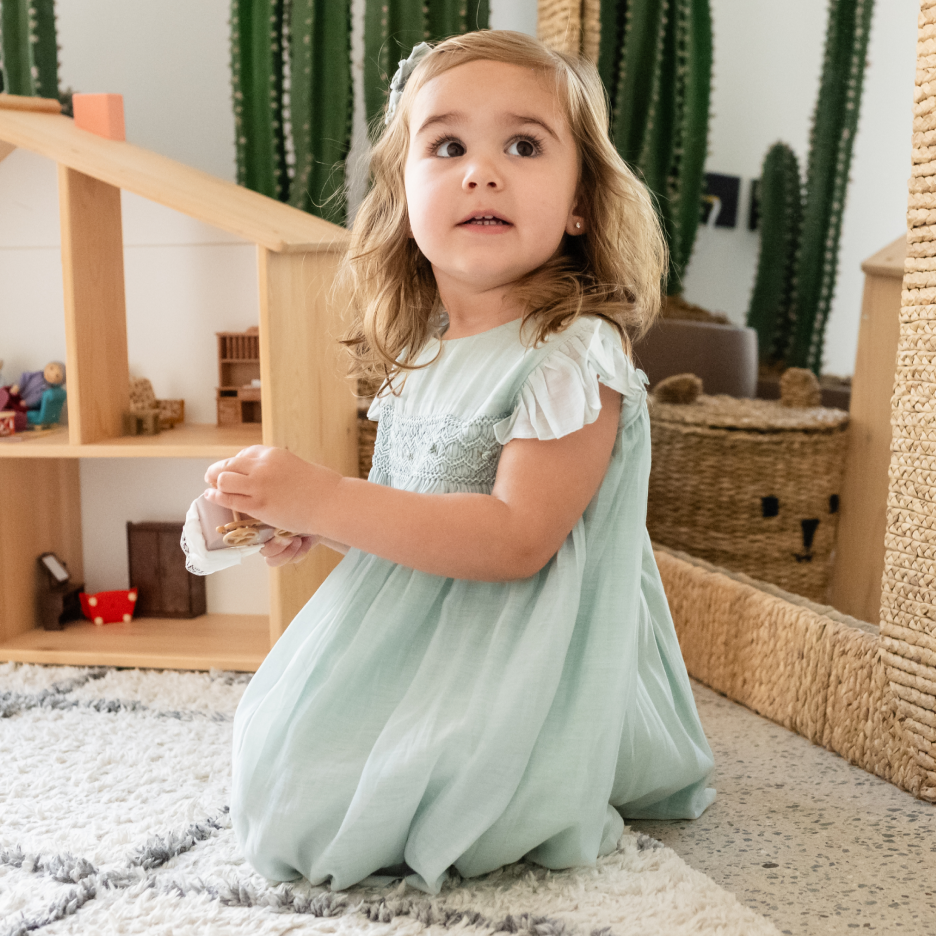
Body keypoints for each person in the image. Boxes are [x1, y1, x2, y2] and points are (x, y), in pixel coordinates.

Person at [202, 30, 715, 894]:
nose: (482, 170)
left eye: (522, 145)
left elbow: (515, 539)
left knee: (339, 804)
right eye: (447, 146)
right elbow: (420, 507)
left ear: (581, 202)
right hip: (422, 629)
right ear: (404, 195)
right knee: (278, 758)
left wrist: (329, 499)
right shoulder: (428, 349)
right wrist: (317, 522)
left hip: (520, 651)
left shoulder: (571, 351)